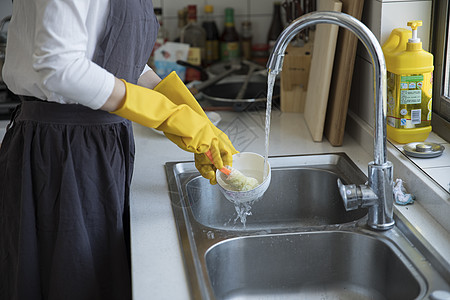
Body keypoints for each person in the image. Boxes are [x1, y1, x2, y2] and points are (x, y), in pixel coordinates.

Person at [0, 0, 237, 299]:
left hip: (101, 144)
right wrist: (163, 113)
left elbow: (117, 60)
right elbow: (60, 67)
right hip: (62, 150)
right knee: (73, 280)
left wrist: (187, 113)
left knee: (100, 277)